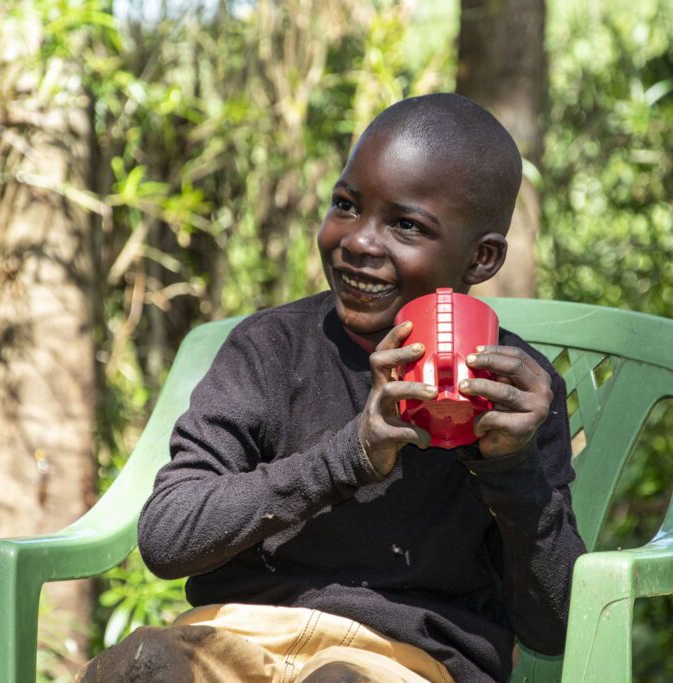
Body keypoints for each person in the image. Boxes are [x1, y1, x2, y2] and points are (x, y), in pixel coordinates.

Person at [76, 93, 586, 683]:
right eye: (346, 205)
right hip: (236, 637)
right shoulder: (271, 349)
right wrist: (351, 456)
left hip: (407, 660)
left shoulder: (516, 395)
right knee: (142, 667)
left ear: (482, 257)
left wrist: (512, 469)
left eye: (406, 225)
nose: (359, 241)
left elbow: (553, 628)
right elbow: (168, 538)